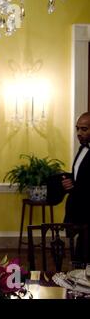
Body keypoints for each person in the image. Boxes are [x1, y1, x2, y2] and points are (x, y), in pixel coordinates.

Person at [62, 111, 90, 261]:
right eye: (77, 128)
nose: (79, 133)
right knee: (79, 259)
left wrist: (75, 187)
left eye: (84, 129)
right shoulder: (82, 149)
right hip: (79, 215)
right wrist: (70, 180)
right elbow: (82, 176)